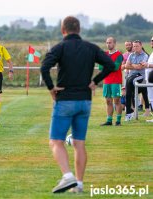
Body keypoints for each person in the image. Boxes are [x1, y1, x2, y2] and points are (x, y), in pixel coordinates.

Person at [41, 16, 115, 194]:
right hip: (85, 100)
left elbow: (44, 67)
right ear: (79, 29)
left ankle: (67, 176)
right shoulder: (91, 47)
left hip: (65, 99)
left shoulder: (60, 47)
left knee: (56, 142)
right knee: (79, 143)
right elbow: (110, 65)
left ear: (62, 30)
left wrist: (52, 88)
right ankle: (79, 184)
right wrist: (95, 81)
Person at [99, 37, 123, 126]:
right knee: (108, 101)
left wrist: (106, 65)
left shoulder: (119, 55)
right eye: (107, 42)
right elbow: (100, 67)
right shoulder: (104, 54)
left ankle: (118, 121)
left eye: (110, 42)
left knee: (117, 101)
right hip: (107, 81)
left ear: (114, 43)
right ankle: (109, 121)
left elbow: (116, 67)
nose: (108, 44)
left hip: (116, 82)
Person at [123, 40, 149, 121]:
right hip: (132, 76)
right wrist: (135, 65)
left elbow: (140, 67)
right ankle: (129, 113)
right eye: (134, 46)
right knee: (128, 90)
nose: (135, 48)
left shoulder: (145, 55)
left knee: (130, 81)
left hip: (141, 76)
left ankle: (136, 110)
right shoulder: (131, 55)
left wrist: (131, 65)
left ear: (141, 46)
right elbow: (126, 66)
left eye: (137, 46)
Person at [140, 36, 153, 122]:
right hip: (150, 79)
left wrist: (147, 65)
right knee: (151, 98)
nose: (152, 42)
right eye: (151, 41)